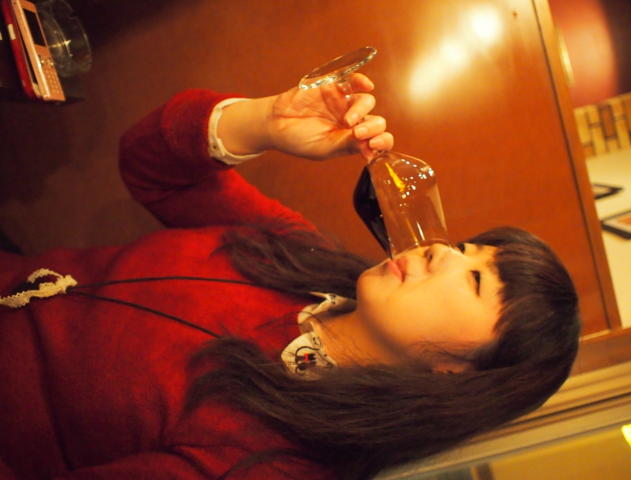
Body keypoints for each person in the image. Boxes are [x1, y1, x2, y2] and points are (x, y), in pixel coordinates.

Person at [0, 73, 580, 480]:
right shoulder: (297, 251)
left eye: (475, 281)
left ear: (459, 375)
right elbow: (149, 167)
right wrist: (264, 123)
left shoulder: (280, 462)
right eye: (465, 248)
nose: (442, 254)